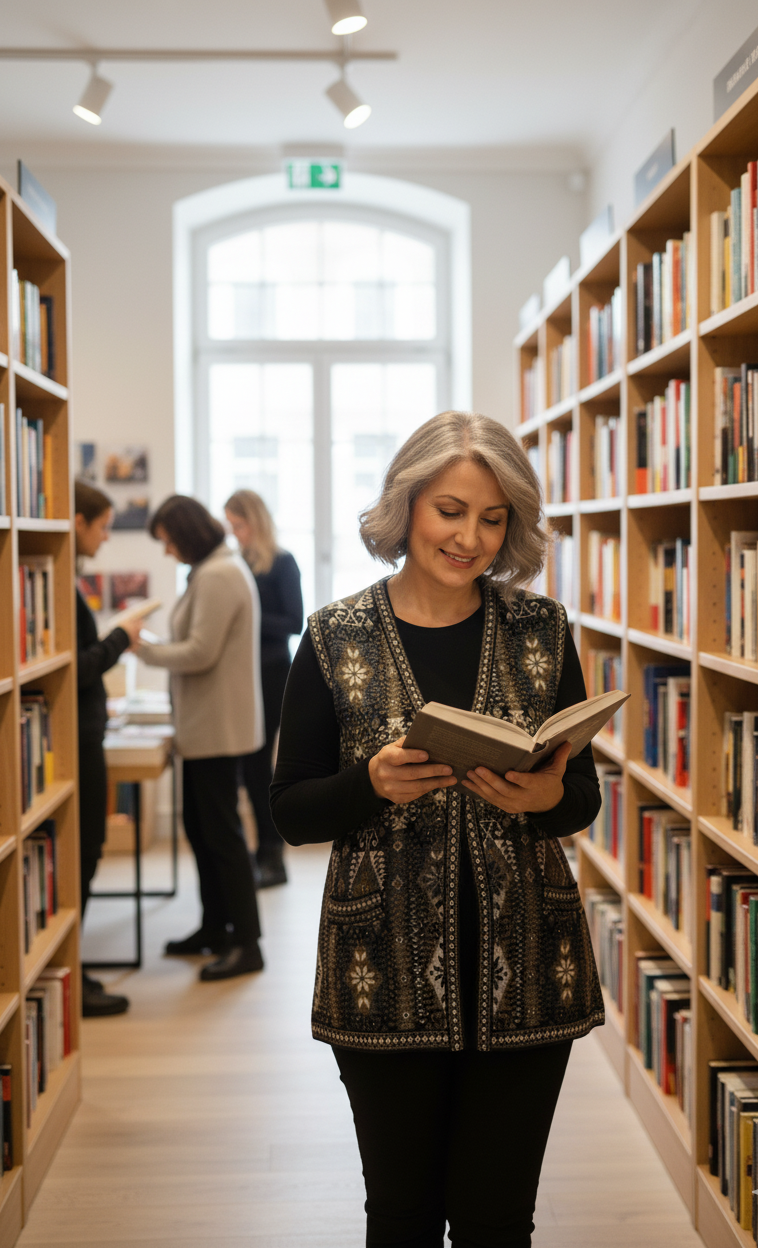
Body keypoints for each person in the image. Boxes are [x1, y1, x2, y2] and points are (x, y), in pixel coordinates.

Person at [270, 411, 605, 1248]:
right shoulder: (333, 637)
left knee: (498, 1221)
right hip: (379, 974)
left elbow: (581, 798)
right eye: (450, 511)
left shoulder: (542, 630)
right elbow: (290, 809)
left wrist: (545, 798)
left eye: (493, 518)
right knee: (404, 1218)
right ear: (407, 503)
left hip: (529, 969)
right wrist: (370, 784)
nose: (470, 538)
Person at [137, 495, 265, 981]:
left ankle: (247, 943)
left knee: (222, 836)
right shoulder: (212, 570)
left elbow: (199, 652)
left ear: (186, 535)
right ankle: (215, 927)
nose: (167, 551)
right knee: (201, 829)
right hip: (207, 727)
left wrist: (142, 648)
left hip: (216, 729)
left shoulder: (218, 575)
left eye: (168, 541)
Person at [74, 480, 142, 1018]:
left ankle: (69, 967)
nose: (105, 538)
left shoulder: (65, 580)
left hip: (83, 732)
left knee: (87, 848)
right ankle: (69, 974)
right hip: (76, 738)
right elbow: (79, 668)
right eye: (100, 527)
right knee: (83, 849)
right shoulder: (61, 583)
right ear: (77, 522)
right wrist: (120, 638)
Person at [224, 489, 302, 888]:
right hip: (239, 676)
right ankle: (260, 853)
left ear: (255, 521)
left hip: (271, 675)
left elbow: (294, 622)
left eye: (238, 525)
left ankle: (272, 854)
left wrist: (248, 617)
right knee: (246, 767)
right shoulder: (234, 564)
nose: (234, 533)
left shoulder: (282, 562)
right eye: (230, 526)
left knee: (259, 766)